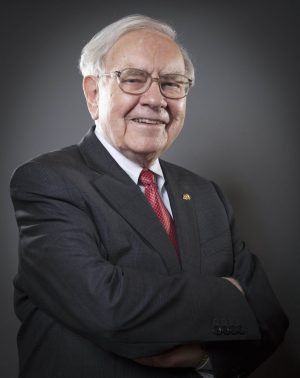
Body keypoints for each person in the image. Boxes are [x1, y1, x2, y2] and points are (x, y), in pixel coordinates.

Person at [10, 14, 288, 378]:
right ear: (94, 93)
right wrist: (231, 295)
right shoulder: (46, 181)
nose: (156, 99)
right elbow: (107, 307)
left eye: (172, 83)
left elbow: (270, 319)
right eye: (133, 79)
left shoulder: (206, 195)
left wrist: (205, 358)